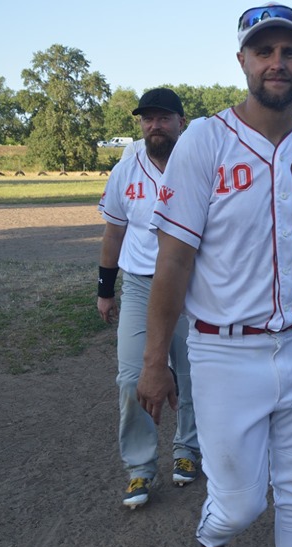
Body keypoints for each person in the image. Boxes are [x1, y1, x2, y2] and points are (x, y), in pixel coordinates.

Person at [135, 5, 292, 547]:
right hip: (225, 350)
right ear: (242, 62)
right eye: (264, 51)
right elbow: (173, 260)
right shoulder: (204, 140)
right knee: (240, 501)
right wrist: (154, 362)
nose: (277, 62)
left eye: (290, 51)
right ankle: (210, 542)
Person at [96, 87, 199, 509]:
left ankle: (188, 450)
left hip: (194, 284)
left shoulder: (198, 162)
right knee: (130, 377)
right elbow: (114, 231)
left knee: (195, 372)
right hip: (141, 283)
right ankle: (139, 468)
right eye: (147, 118)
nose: (154, 125)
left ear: (181, 122)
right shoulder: (127, 167)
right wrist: (105, 289)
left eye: (163, 118)